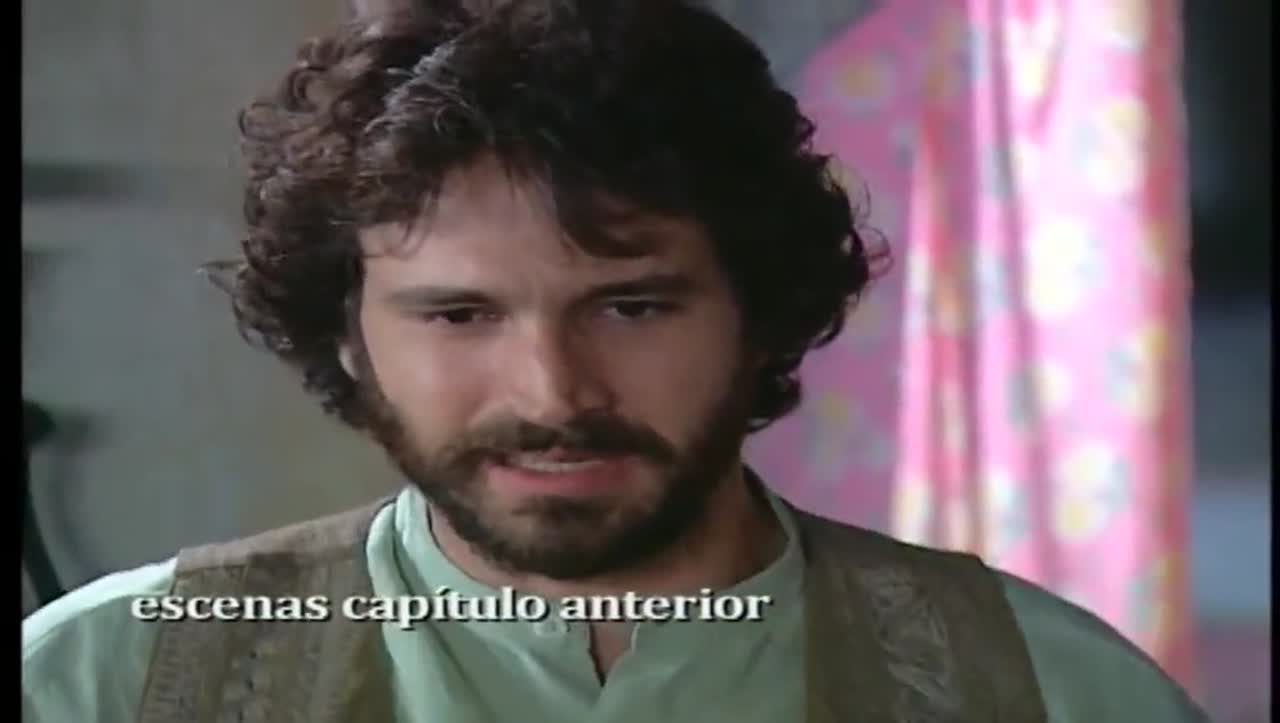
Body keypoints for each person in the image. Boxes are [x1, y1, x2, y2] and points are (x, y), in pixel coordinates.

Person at [22, 1, 1212, 721]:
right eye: (459, 316)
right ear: (349, 332)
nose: (553, 392)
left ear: (757, 308)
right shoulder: (106, 680)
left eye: (631, 307)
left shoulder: (1044, 690)